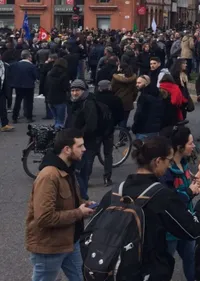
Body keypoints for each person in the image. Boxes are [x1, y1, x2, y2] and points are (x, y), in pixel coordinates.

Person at [87, 136, 200, 281]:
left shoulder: (115, 192)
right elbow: (193, 229)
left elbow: (87, 233)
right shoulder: (161, 196)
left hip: (110, 269)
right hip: (146, 271)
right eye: (168, 161)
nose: (169, 166)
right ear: (158, 161)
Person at [26, 128, 95, 281]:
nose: (84, 149)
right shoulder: (49, 176)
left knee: (82, 277)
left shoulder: (68, 169)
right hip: (50, 247)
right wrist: (79, 212)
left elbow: (66, 201)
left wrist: (84, 204)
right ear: (66, 149)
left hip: (71, 241)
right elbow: (44, 217)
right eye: (80, 146)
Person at [160, 126, 197, 281]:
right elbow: (169, 200)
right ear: (179, 147)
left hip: (186, 222)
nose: (193, 146)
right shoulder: (166, 171)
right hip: (169, 230)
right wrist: (189, 191)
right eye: (190, 143)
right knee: (165, 265)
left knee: (192, 259)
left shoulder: (184, 163)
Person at [66, 79, 98, 200]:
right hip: (77, 142)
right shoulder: (76, 102)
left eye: (77, 90)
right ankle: (82, 198)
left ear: (83, 91)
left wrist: (77, 136)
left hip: (85, 144)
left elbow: (91, 125)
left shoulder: (88, 103)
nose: (74, 93)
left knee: (80, 173)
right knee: (79, 172)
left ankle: (83, 198)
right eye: (73, 90)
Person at [95, 80, 124, 186]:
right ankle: (107, 177)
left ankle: (86, 176)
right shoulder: (116, 99)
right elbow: (120, 115)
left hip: (96, 130)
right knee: (108, 154)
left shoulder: (95, 98)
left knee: (90, 153)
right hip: (109, 129)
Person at [132, 75, 164, 140]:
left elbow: (139, 114)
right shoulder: (158, 94)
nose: (136, 85)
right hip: (155, 129)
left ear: (146, 83)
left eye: (139, 83)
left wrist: (135, 127)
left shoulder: (144, 97)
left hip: (144, 129)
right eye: (136, 82)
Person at [45, 58, 70, 129]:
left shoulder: (49, 73)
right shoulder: (64, 74)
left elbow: (46, 86)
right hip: (60, 99)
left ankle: (55, 133)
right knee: (61, 121)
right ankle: (58, 135)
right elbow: (65, 87)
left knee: (56, 119)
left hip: (50, 99)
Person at [112, 63, 138, 129]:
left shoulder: (116, 78)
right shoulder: (134, 78)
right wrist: (133, 99)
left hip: (117, 99)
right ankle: (123, 134)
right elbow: (135, 90)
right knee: (125, 119)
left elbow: (112, 88)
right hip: (128, 100)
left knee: (117, 116)